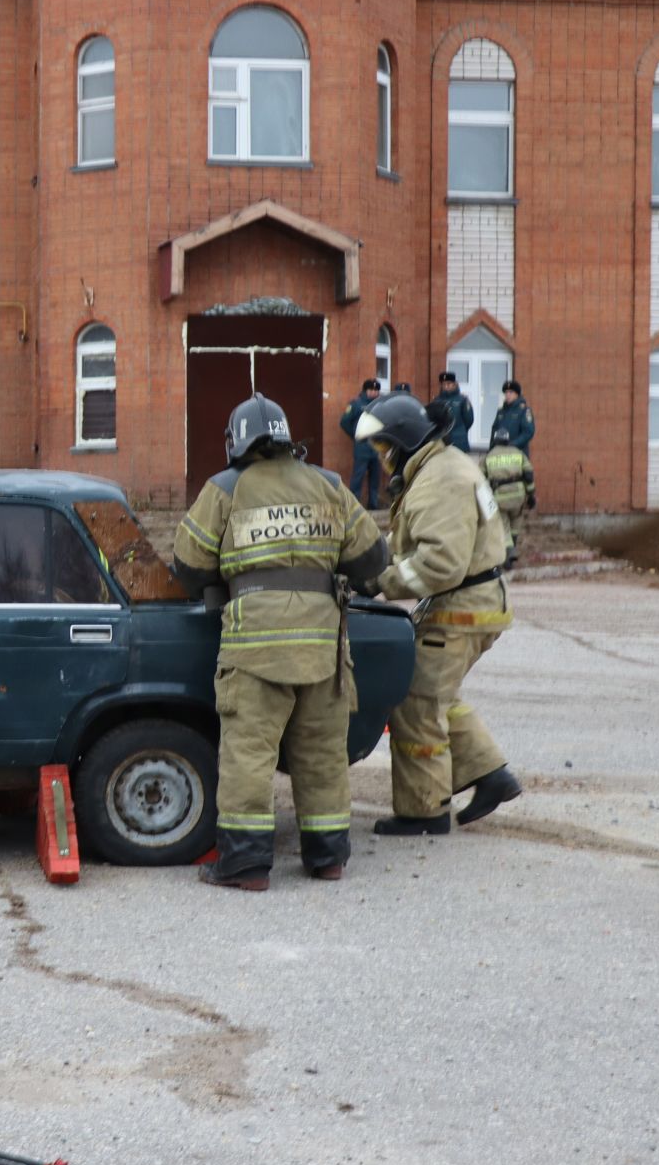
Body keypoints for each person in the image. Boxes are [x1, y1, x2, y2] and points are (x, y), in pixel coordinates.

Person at [172, 393, 391, 891]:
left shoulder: (225, 488)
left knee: (248, 754)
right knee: (321, 756)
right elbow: (372, 561)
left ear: (236, 442)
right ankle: (327, 858)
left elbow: (187, 563)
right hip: (323, 650)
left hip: (256, 651)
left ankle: (246, 866)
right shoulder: (330, 485)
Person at [353, 393, 522, 834]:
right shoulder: (441, 466)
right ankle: (491, 775)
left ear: (404, 441)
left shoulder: (438, 479)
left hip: (460, 608)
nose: (382, 458)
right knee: (437, 695)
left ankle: (424, 813)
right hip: (472, 603)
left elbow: (439, 563)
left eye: (383, 447)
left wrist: (377, 582)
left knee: (414, 700)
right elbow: (419, 545)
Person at [482, 430, 535, 566]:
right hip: (518, 496)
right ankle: (512, 548)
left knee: (503, 526)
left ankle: (509, 554)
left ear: (495, 441)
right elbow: (528, 474)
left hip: (500, 497)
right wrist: (531, 494)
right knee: (515, 524)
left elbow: (480, 478)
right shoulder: (518, 453)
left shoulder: (489, 456)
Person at [338, 377, 384, 510]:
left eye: (376, 390)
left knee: (375, 477)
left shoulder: (380, 404)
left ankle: (373, 504)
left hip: (377, 447)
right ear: (365, 390)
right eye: (371, 390)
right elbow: (344, 422)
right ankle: (354, 505)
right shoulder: (356, 404)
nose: (374, 393)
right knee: (358, 477)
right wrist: (355, 435)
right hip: (362, 446)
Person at [428, 372, 475, 454]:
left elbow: (469, 420)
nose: (446, 386)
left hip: (459, 442)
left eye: (449, 384)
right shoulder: (436, 401)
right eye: (443, 384)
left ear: (454, 384)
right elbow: (432, 420)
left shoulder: (462, 400)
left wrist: (460, 431)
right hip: (441, 442)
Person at [491, 380, 535, 457]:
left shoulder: (524, 410)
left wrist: (512, 444)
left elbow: (528, 432)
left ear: (517, 394)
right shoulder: (501, 412)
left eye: (511, 392)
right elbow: (494, 431)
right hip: (501, 454)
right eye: (506, 392)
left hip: (518, 453)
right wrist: (491, 450)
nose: (508, 395)